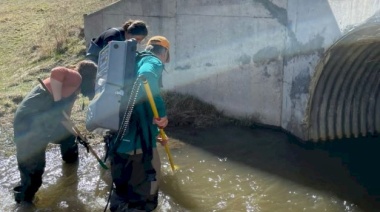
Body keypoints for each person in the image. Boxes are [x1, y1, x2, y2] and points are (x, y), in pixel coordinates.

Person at [12, 60, 98, 204]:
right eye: (95, 80)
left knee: (68, 137)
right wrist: (57, 101)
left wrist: (79, 137)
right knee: (34, 169)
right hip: (29, 121)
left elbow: (66, 120)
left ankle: (70, 170)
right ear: (89, 77)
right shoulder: (77, 77)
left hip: (45, 121)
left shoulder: (73, 92)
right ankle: (25, 201)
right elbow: (57, 71)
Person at [108, 36, 170, 211]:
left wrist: (156, 134)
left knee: (120, 194)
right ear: (164, 53)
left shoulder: (132, 61)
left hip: (118, 142)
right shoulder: (153, 61)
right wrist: (162, 115)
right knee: (146, 195)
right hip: (138, 147)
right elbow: (147, 75)